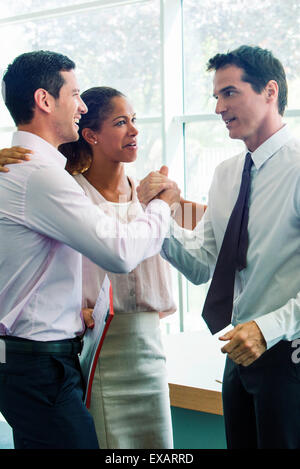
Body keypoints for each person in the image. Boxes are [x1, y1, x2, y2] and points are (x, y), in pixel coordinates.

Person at [0, 86, 205, 449]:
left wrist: (173, 200)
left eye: (135, 121)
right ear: (91, 134)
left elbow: (207, 231)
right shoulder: (66, 196)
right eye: (121, 122)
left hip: (151, 351)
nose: (134, 131)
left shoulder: (152, 194)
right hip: (98, 351)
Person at [137, 45, 300, 449]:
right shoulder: (226, 174)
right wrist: (159, 215)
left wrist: (268, 328)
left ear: (269, 91)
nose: (218, 107)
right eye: (215, 96)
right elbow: (201, 264)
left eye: (229, 93)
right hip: (239, 354)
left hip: (290, 353)